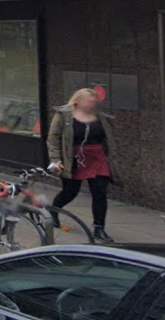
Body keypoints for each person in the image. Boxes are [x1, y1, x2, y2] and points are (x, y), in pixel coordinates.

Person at [47, 88, 117, 244]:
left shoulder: (100, 118)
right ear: (77, 102)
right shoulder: (63, 116)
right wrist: (56, 160)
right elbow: (53, 138)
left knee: (99, 192)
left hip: (97, 157)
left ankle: (99, 228)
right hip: (74, 158)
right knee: (70, 191)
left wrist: (111, 157)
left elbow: (108, 139)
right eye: (89, 101)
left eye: (94, 102)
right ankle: (54, 210)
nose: (92, 104)